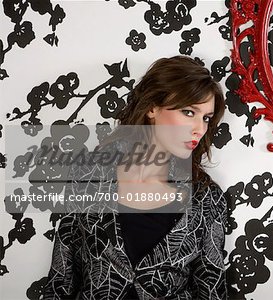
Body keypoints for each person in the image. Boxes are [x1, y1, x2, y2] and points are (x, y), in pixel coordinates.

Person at [43, 56, 228, 299]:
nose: (200, 128)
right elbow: (60, 280)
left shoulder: (207, 200)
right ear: (152, 107)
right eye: (188, 111)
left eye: (206, 118)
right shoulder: (87, 178)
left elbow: (212, 290)